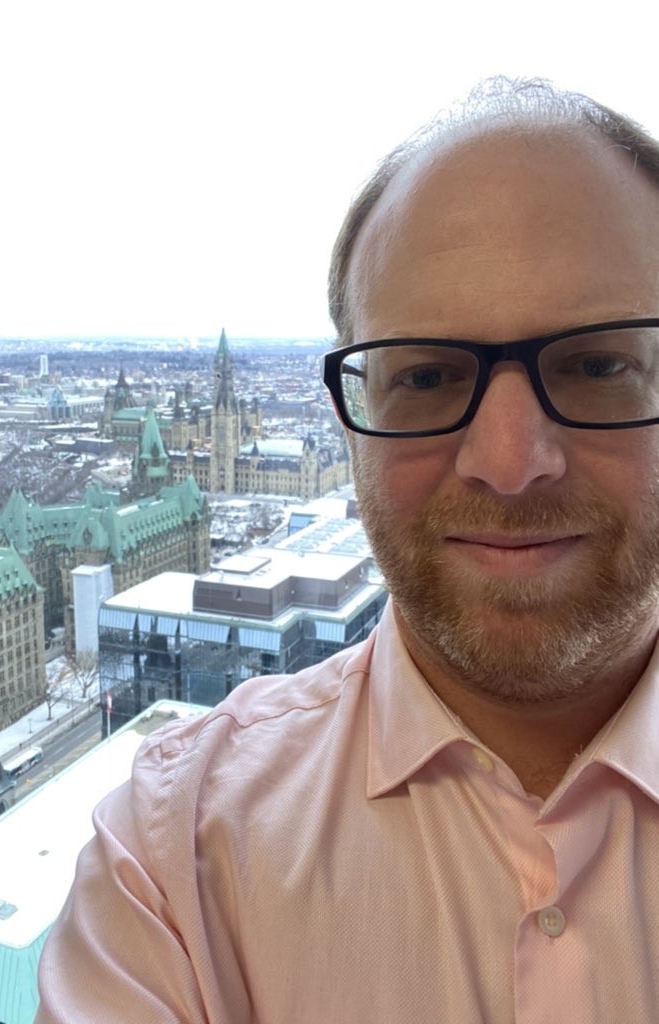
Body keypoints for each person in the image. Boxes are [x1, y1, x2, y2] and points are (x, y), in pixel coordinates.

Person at [35, 78, 659, 1022]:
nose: (509, 462)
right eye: (427, 375)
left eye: (598, 364)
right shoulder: (173, 862)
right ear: (355, 412)